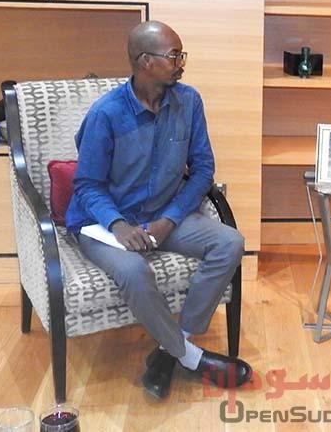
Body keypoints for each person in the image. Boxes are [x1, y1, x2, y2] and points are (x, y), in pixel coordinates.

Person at [65, 20, 252, 399]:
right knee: (134, 272)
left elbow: (203, 170)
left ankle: (170, 348)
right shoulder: (106, 114)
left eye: (181, 55)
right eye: (173, 56)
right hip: (105, 224)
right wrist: (118, 224)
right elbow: (87, 185)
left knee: (230, 242)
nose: (181, 64)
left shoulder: (189, 102)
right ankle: (191, 357)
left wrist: (170, 219)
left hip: (163, 215)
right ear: (144, 61)